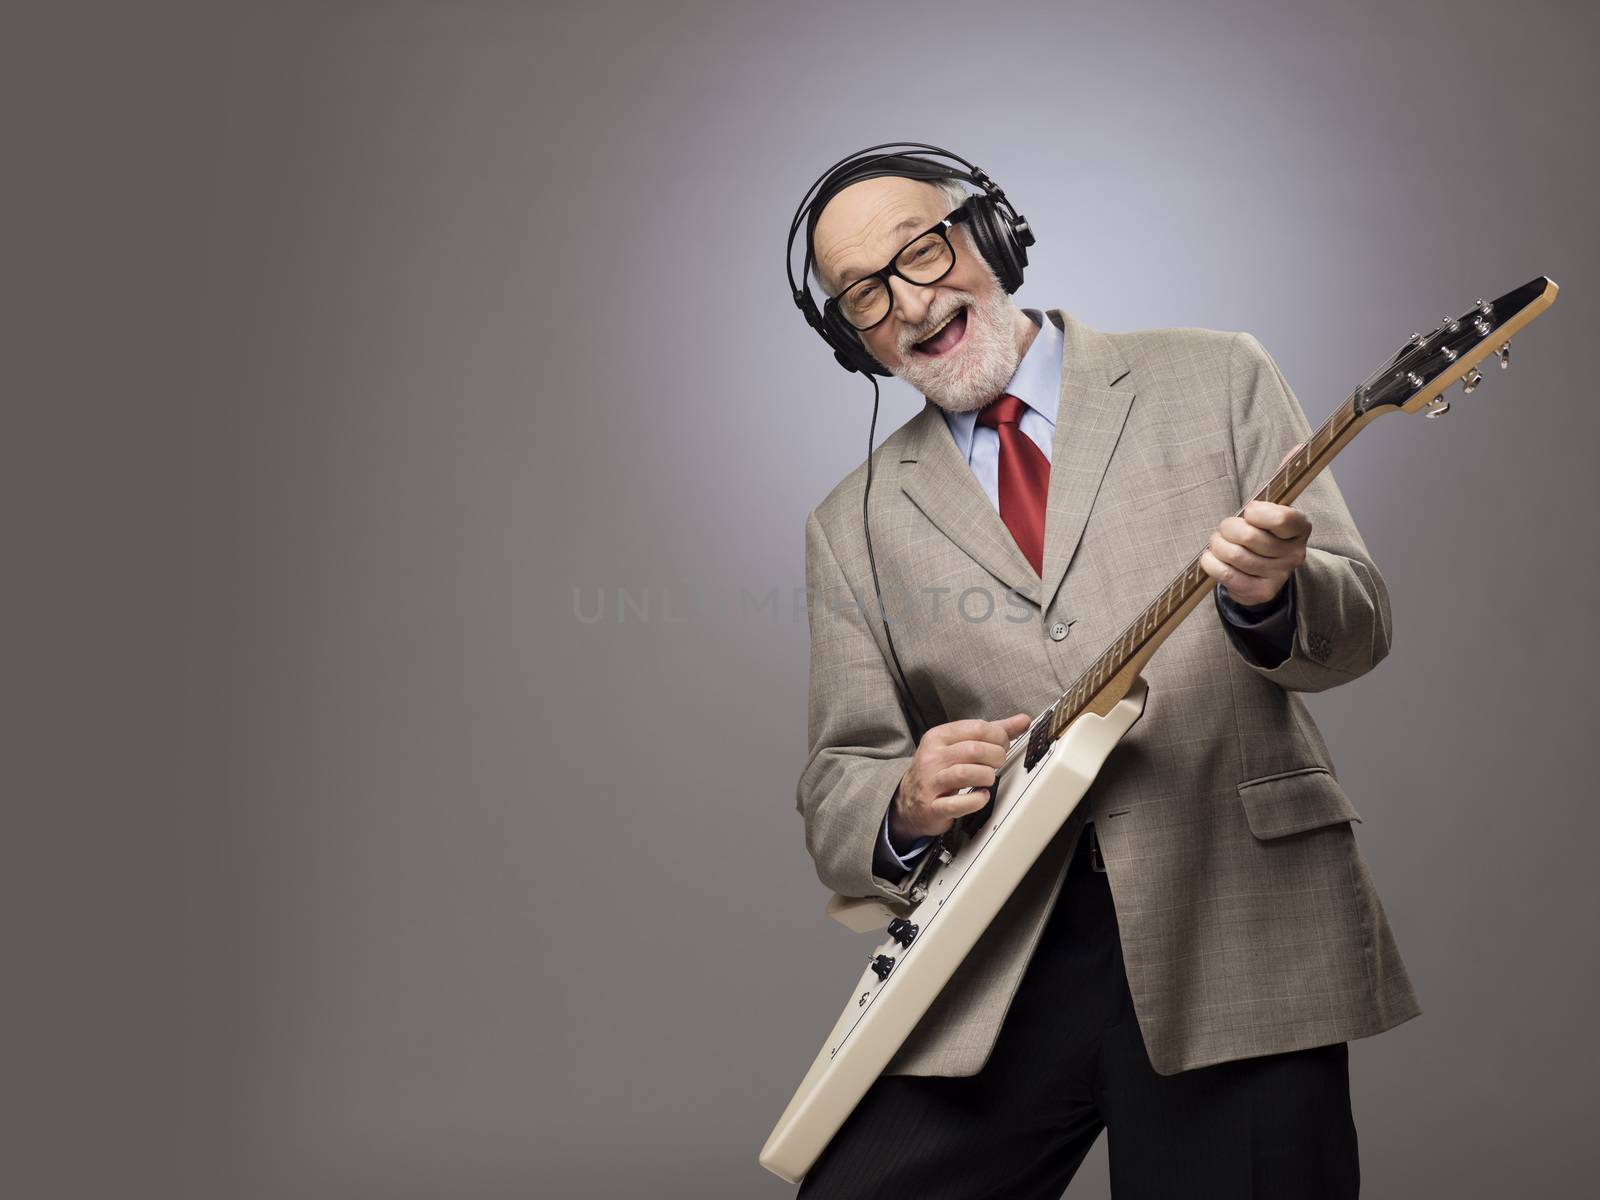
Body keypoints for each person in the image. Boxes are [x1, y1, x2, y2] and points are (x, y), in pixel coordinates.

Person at [789, 151, 1420, 1198]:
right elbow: (836, 783)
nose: (910, 302)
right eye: (866, 293)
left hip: (1234, 920)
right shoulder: (847, 525)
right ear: (850, 340)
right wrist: (899, 800)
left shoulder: (1216, 376)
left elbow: (1356, 629)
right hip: (999, 958)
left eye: (923, 250)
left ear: (988, 237)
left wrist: (1271, 598)